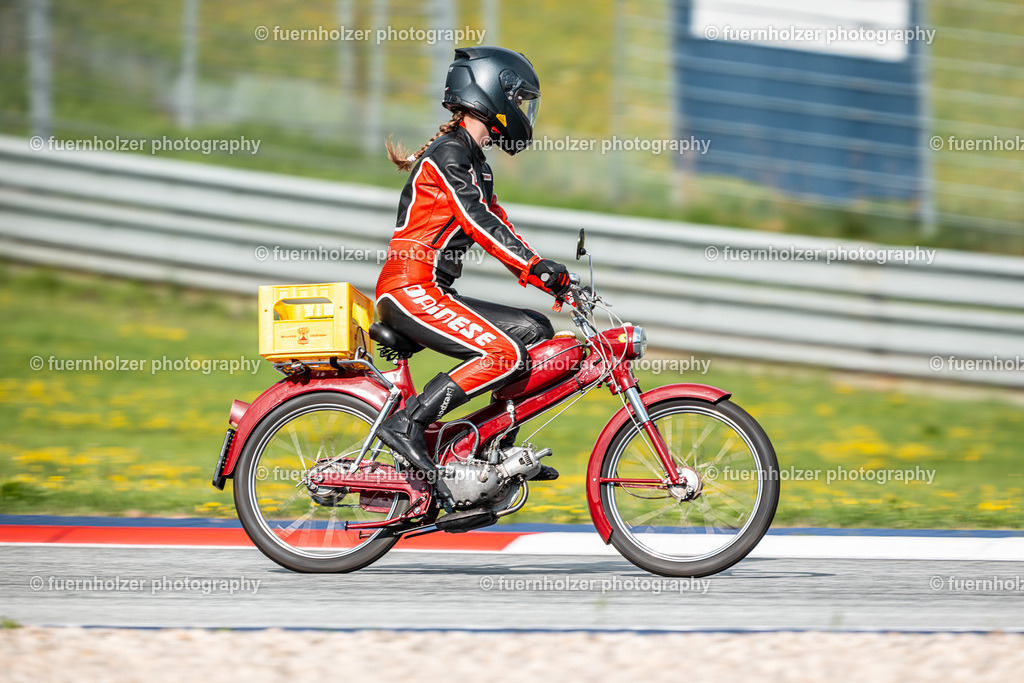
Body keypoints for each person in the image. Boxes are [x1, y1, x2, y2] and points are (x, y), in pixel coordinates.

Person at [374, 46, 571, 486]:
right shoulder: (449, 154)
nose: (522, 111)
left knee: (535, 330)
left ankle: (492, 447)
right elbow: (478, 222)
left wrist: (548, 279)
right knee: (504, 353)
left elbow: (498, 223)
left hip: (434, 291)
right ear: (492, 94)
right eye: (519, 100)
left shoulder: (473, 161)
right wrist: (536, 268)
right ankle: (407, 425)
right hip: (411, 289)